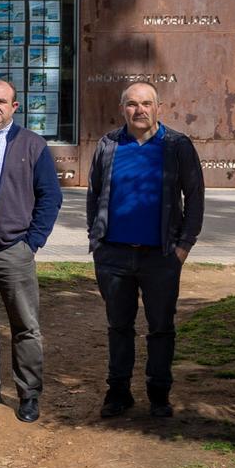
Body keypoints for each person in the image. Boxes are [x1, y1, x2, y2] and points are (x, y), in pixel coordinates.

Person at [87, 82, 204, 420]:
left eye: (146, 103)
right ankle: (118, 392)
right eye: (132, 104)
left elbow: (194, 198)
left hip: (161, 257)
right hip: (113, 256)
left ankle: (158, 394)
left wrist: (183, 247)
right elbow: (95, 194)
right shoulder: (108, 144)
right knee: (118, 326)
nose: (139, 110)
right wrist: (97, 241)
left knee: (161, 327)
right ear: (123, 108)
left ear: (158, 107)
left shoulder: (177, 145)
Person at [0, 78, 62, 424]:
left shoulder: (32, 144)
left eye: (1, 101)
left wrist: (32, 242)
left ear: (14, 106)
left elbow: (51, 197)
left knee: (25, 325)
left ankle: (29, 392)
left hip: (13, 250)